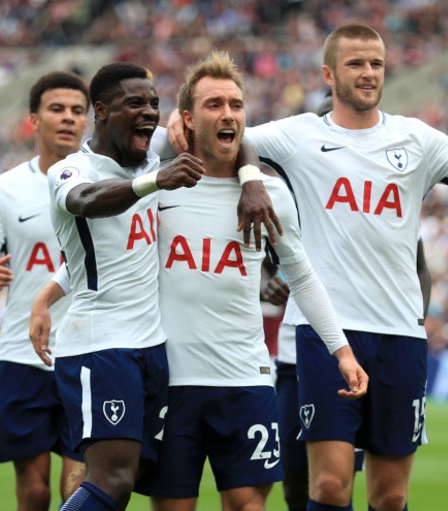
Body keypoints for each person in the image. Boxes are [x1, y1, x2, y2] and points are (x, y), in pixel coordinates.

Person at [164, 22, 448, 511]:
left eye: (376, 63)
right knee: (330, 486)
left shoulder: (417, 140)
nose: (368, 72)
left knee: (391, 495)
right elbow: (225, 136)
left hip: (400, 335)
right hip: (324, 335)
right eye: (355, 63)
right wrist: (189, 132)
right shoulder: (300, 136)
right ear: (328, 74)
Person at [38, 62, 283, 511]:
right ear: (102, 111)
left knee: (131, 481)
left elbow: (230, 135)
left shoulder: (152, 158)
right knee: (111, 479)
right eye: (136, 103)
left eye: (154, 103)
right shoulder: (72, 169)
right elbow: (85, 202)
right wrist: (156, 180)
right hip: (101, 342)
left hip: (153, 352)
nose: (149, 112)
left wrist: (249, 178)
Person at [146, 50, 367, 511]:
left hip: (245, 381)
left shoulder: (273, 196)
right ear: (187, 118)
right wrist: (51, 293)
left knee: (249, 505)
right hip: (172, 383)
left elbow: (304, 278)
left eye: (236, 104)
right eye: (213, 105)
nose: (228, 113)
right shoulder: (156, 188)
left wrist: (342, 352)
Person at [0, 71, 90, 511]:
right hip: (21, 354)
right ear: (33, 120)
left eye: (77, 110)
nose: (68, 118)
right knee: (33, 492)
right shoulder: (3, 190)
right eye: (57, 109)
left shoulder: (105, 185)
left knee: (78, 489)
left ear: (88, 120)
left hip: (88, 350)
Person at [270, 237, 430, 511]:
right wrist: (270, 283)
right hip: (295, 351)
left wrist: (415, 320)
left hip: (360, 346)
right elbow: (263, 262)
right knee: (295, 484)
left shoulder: (385, 210)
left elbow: (420, 266)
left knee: (337, 482)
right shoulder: (290, 198)